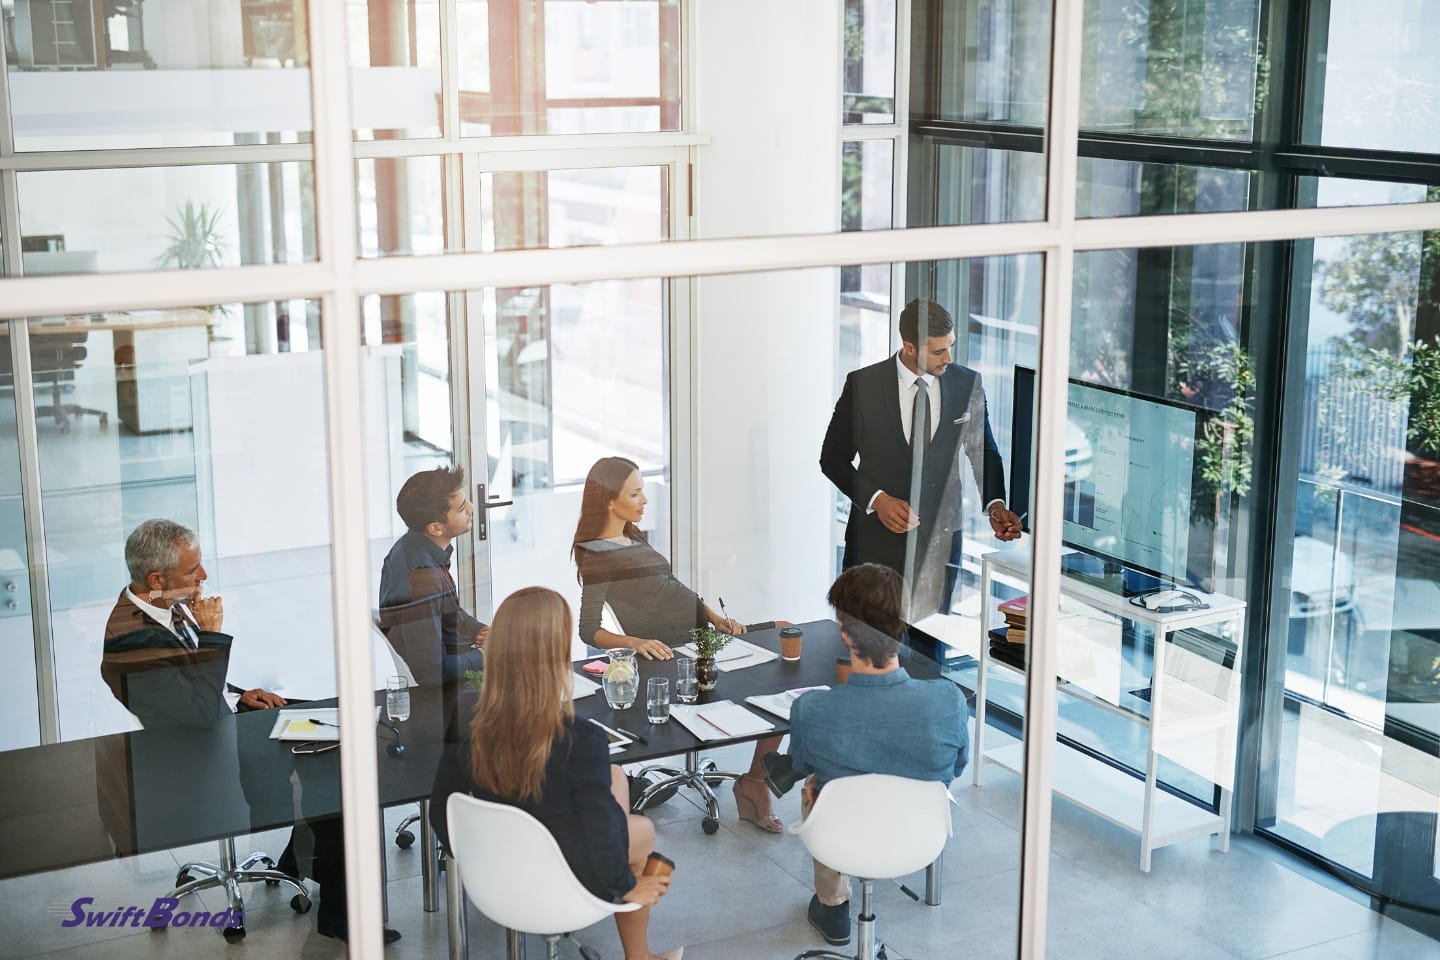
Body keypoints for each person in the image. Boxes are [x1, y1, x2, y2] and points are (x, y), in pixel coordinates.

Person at [100, 519, 396, 946]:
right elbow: (199, 714)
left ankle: (304, 859)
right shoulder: (133, 640)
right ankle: (340, 911)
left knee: (327, 720)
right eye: (193, 570)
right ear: (157, 579)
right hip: (200, 757)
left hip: (213, 727)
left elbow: (189, 691)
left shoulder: (157, 606)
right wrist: (212, 636)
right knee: (335, 763)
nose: (203, 576)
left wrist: (240, 697)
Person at [431, 587, 682, 960]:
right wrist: (625, 886)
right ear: (557, 655)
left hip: (495, 874)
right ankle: (639, 956)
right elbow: (597, 832)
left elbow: (441, 809)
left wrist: (475, 853)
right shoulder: (581, 739)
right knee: (642, 828)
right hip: (563, 875)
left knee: (615, 777)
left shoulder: (468, 715)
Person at [570, 455, 786, 833]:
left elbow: (671, 586)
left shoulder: (631, 536)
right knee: (778, 669)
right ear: (609, 500)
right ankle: (755, 785)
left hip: (704, 636)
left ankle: (754, 779)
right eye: (634, 493)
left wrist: (715, 618)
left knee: (785, 632)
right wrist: (636, 642)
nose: (644, 500)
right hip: (679, 652)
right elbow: (588, 629)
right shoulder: (599, 554)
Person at [785, 563, 969, 947]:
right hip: (920, 841)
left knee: (816, 783)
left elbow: (800, 764)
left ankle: (833, 904)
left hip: (839, 840)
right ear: (903, 624)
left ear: (844, 632)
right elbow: (956, 768)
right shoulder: (948, 700)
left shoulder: (812, 710)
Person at [820, 298, 1023, 619]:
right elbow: (831, 458)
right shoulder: (863, 385)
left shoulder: (967, 384)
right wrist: (877, 500)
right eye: (939, 351)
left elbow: (983, 451)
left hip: (940, 548)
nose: (949, 358)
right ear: (910, 347)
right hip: (873, 545)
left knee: (930, 643)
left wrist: (996, 505)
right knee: (866, 638)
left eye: (950, 347)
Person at [378, 465, 488, 688]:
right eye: (461, 508)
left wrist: (479, 630)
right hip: (456, 687)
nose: (472, 508)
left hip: (460, 664)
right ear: (436, 528)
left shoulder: (413, 548)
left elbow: (449, 610)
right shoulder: (422, 578)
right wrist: (485, 656)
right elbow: (432, 671)